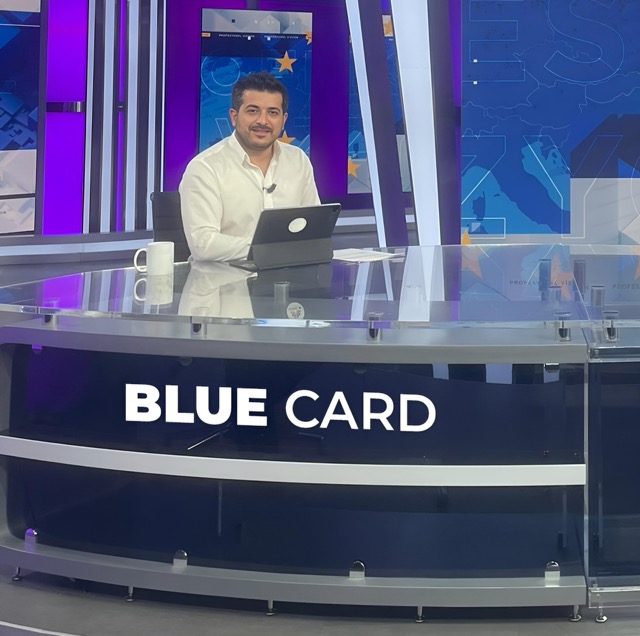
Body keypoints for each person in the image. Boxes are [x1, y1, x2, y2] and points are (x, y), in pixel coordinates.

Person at [179, 71, 320, 261]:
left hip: (289, 274)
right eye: (253, 111)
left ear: (283, 120)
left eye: (273, 113)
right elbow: (203, 245)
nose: (263, 121)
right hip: (223, 277)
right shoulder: (205, 168)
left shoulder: (298, 160)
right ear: (234, 116)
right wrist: (268, 247)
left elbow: (314, 228)